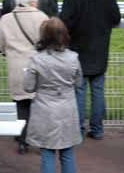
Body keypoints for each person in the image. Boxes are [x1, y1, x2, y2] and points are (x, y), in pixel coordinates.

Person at [60, 0, 121, 140]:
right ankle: (97, 129)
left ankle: (78, 128)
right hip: (100, 48)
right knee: (98, 89)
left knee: (79, 89)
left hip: (78, 48)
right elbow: (116, 18)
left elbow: (65, 22)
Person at [0, 0, 48, 154]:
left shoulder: (6, 19)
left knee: (21, 106)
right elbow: (48, 44)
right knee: (38, 105)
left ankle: (22, 141)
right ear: (33, 0)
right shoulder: (42, 18)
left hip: (16, 68)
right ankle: (39, 141)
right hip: (37, 67)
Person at [24, 18, 83, 173]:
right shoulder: (73, 58)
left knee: (47, 152)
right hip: (67, 108)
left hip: (45, 110)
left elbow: (28, 87)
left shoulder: (37, 59)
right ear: (64, 34)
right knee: (67, 151)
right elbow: (78, 83)